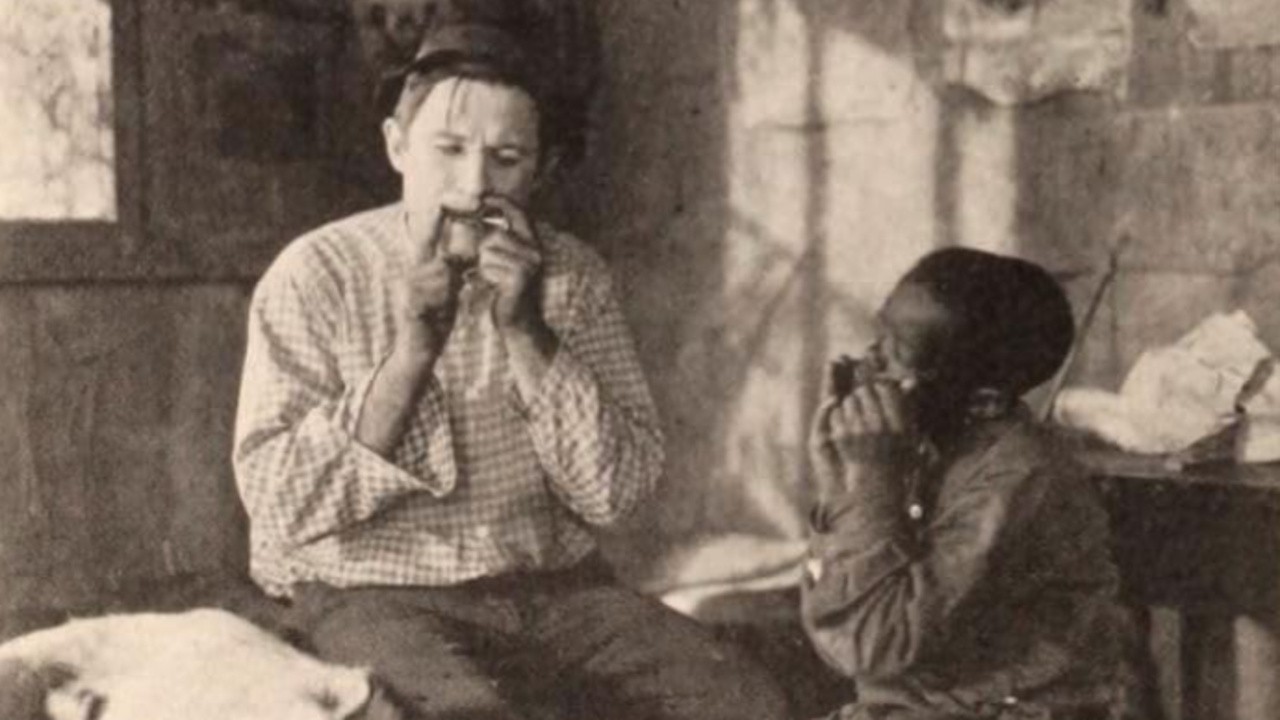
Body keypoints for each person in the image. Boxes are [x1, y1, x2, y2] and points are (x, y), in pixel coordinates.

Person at [232, 18, 788, 720]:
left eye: (507, 158)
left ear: (540, 170)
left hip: (554, 591)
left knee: (746, 701)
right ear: (397, 146)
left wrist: (526, 331)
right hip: (372, 590)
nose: (473, 186)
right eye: (448, 150)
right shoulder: (316, 273)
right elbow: (279, 504)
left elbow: (617, 494)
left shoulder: (573, 276)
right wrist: (411, 354)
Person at [803, 248, 1133, 720]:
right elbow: (841, 644)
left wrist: (867, 485)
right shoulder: (918, 449)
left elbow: (871, 645)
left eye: (899, 353)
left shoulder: (1020, 475)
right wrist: (839, 481)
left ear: (984, 401)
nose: (870, 360)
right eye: (879, 334)